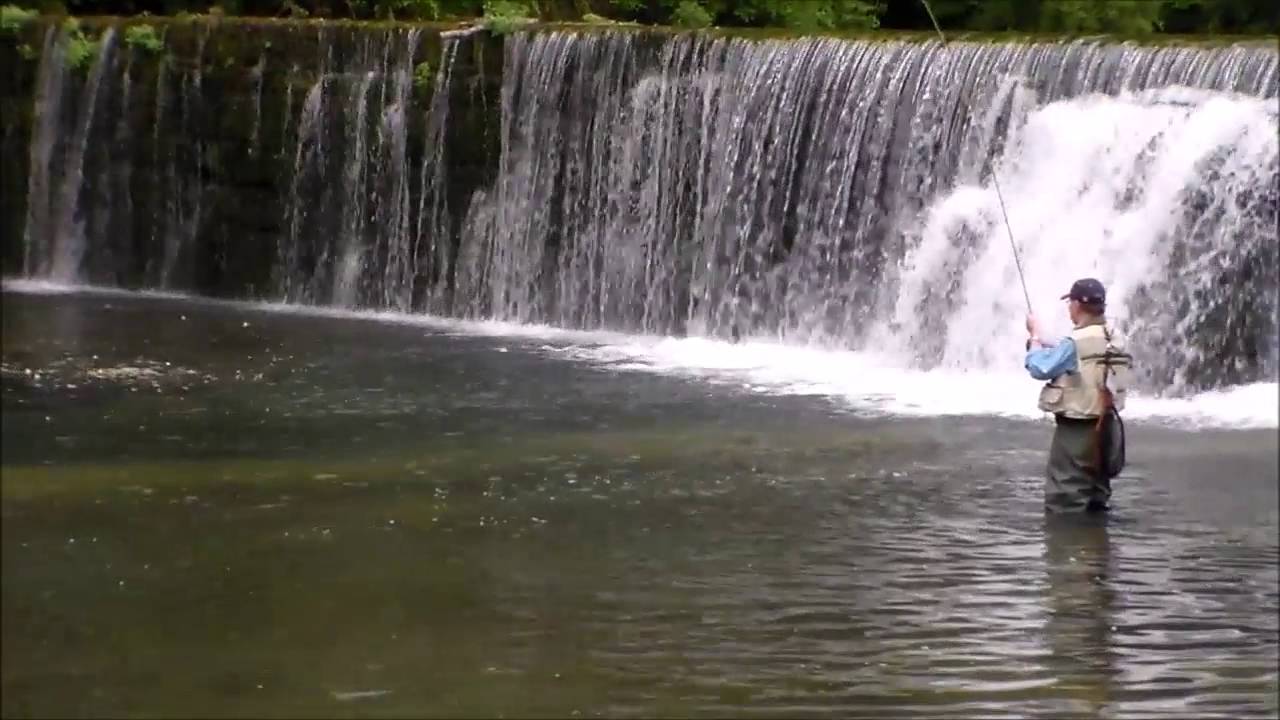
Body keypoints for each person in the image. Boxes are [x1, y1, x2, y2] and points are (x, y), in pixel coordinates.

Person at [1024, 278, 1132, 513]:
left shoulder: (1074, 343)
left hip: (1077, 430)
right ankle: (1097, 536)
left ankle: (1067, 537)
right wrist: (1047, 345)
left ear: (1077, 305)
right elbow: (1087, 357)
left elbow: (1040, 368)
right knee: (1097, 495)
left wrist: (1034, 338)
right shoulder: (1117, 337)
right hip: (1106, 428)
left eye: (1070, 302)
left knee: (1065, 498)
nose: (1068, 308)